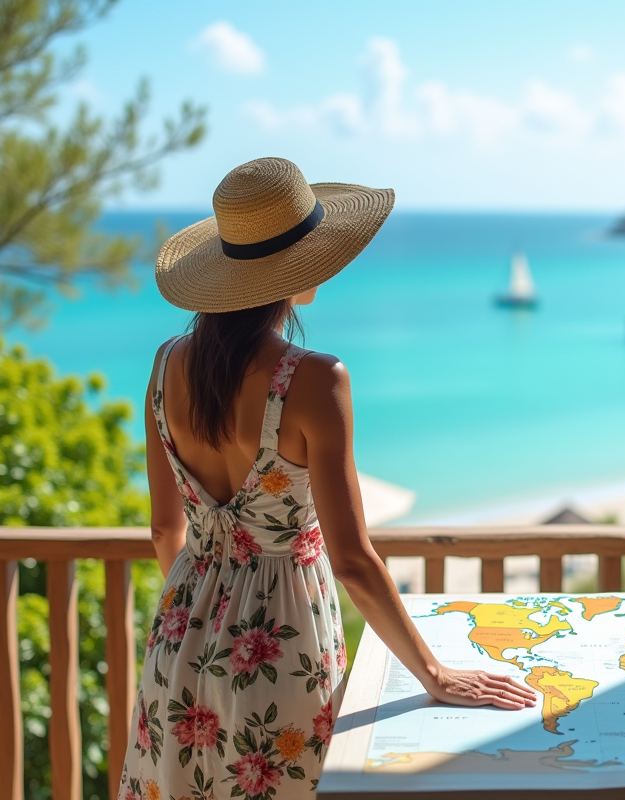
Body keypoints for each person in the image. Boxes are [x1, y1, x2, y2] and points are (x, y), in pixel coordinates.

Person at [118, 157, 537, 800]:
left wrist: (206, 611)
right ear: (301, 270)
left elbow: (162, 528)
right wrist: (435, 675)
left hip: (182, 637)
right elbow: (352, 560)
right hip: (282, 646)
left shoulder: (166, 362)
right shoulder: (314, 379)